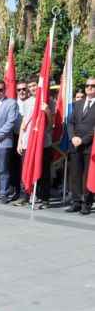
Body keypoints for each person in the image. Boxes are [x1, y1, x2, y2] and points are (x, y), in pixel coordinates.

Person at [65, 77, 95, 215]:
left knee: (87, 176)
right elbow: (70, 122)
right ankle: (76, 202)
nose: (89, 88)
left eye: (93, 85)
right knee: (75, 174)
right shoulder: (77, 104)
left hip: (89, 146)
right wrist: (72, 137)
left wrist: (83, 140)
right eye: (87, 85)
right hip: (75, 145)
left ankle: (86, 203)